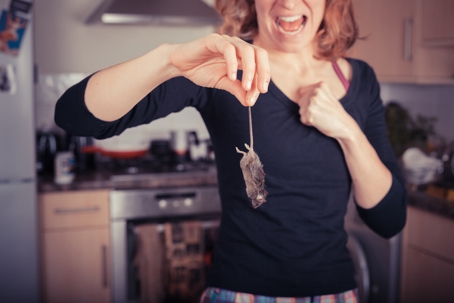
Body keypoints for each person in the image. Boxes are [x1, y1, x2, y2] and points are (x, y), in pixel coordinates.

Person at [55, 0, 407, 302]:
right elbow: (76, 117)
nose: (287, 2)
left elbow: (389, 220)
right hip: (240, 291)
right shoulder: (224, 64)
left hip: (333, 292)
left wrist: (347, 129)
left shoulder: (360, 80)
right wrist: (169, 59)